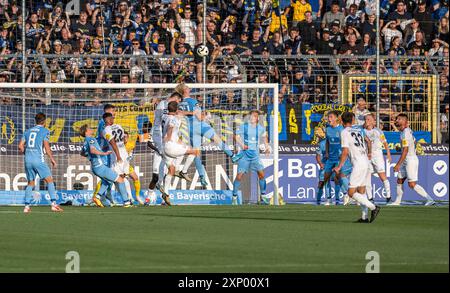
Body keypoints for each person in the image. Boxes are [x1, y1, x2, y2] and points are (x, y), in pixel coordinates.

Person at [176, 83, 241, 188]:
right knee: (217, 139)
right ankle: (232, 156)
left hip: (191, 130)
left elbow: (179, 114)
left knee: (196, 153)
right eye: (187, 87)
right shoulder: (193, 101)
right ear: (185, 91)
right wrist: (205, 116)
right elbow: (199, 117)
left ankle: (202, 176)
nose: (189, 88)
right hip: (201, 126)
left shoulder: (179, 104)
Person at [334, 112, 381, 223]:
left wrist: (339, 166)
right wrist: (369, 153)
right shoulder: (357, 130)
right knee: (361, 190)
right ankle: (364, 217)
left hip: (358, 163)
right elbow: (367, 141)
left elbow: (345, 151)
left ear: (342, 121)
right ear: (353, 120)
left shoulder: (344, 132)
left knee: (350, 192)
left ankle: (373, 207)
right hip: (365, 160)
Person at [19, 113, 64, 213]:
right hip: (38, 159)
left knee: (30, 183)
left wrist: (27, 153)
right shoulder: (45, 131)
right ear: (44, 121)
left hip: (28, 160)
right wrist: (52, 158)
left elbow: (20, 146)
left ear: (36, 121)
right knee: (49, 180)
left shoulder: (27, 131)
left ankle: (26, 207)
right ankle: (53, 204)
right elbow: (46, 146)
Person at [79, 124, 131, 208]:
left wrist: (91, 157)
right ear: (86, 131)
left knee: (107, 181)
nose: (91, 129)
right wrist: (104, 153)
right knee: (120, 180)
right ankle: (127, 202)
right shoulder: (91, 139)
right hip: (100, 166)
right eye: (89, 128)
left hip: (95, 167)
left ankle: (97, 197)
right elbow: (92, 150)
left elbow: (82, 153)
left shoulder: (85, 141)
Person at [147, 92, 185, 204]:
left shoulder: (173, 116)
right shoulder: (162, 106)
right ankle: (149, 197)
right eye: (179, 101)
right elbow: (157, 121)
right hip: (159, 147)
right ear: (176, 98)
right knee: (155, 177)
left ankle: (165, 197)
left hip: (167, 147)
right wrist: (157, 146)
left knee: (168, 171)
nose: (178, 103)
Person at [390, 114, 436, 206]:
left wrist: (398, 164)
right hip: (406, 158)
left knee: (411, 184)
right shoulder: (406, 131)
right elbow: (414, 141)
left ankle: (430, 199)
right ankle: (397, 202)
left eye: (399, 119)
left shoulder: (406, 132)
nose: (397, 120)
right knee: (399, 180)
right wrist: (403, 148)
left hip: (410, 160)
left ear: (404, 121)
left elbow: (406, 150)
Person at [162, 101, 201, 205]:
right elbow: (170, 128)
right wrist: (168, 137)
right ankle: (183, 172)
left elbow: (179, 115)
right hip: (171, 146)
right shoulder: (173, 119)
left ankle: (165, 194)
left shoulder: (165, 116)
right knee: (195, 151)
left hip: (166, 147)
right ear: (176, 110)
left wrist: (191, 113)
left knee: (171, 170)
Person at [233, 110, 271, 205]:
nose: (251, 118)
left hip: (255, 156)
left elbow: (264, 136)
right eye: (251, 116)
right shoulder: (244, 126)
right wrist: (241, 144)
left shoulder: (260, 128)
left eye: (254, 116)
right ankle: (234, 197)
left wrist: (267, 147)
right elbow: (235, 136)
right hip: (245, 155)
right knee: (239, 176)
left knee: (261, 174)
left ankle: (263, 196)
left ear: (257, 118)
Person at [101, 112, 133, 207]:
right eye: (111, 118)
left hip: (117, 155)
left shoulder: (106, 130)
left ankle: (102, 195)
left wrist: (118, 156)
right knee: (121, 177)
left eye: (112, 118)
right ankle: (127, 199)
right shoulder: (119, 126)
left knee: (116, 177)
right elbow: (123, 139)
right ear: (106, 120)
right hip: (124, 152)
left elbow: (113, 143)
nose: (112, 119)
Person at [322, 111, 352, 205]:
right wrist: (327, 152)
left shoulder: (341, 130)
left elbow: (347, 143)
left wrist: (343, 153)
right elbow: (327, 141)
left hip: (339, 158)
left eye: (330, 117)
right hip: (330, 158)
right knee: (325, 177)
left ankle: (347, 194)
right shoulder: (328, 129)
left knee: (338, 177)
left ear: (336, 118)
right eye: (328, 117)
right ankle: (328, 199)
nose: (328, 119)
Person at [364, 113, 393, 203]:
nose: (366, 121)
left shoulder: (378, 131)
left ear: (373, 121)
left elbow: (385, 143)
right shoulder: (362, 131)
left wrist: (388, 153)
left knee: (382, 176)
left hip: (377, 155)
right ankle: (370, 198)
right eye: (366, 119)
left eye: (368, 119)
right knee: (367, 177)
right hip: (367, 156)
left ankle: (388, 197)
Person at [315, 127, 331, 205]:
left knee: (340, 179)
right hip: (326, 164)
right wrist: (321, 163)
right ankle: (320, 200)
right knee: (322, 181)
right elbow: (317, 155)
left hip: (336, 163)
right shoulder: (322, 143)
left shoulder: (336, 141)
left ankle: (348, 197)